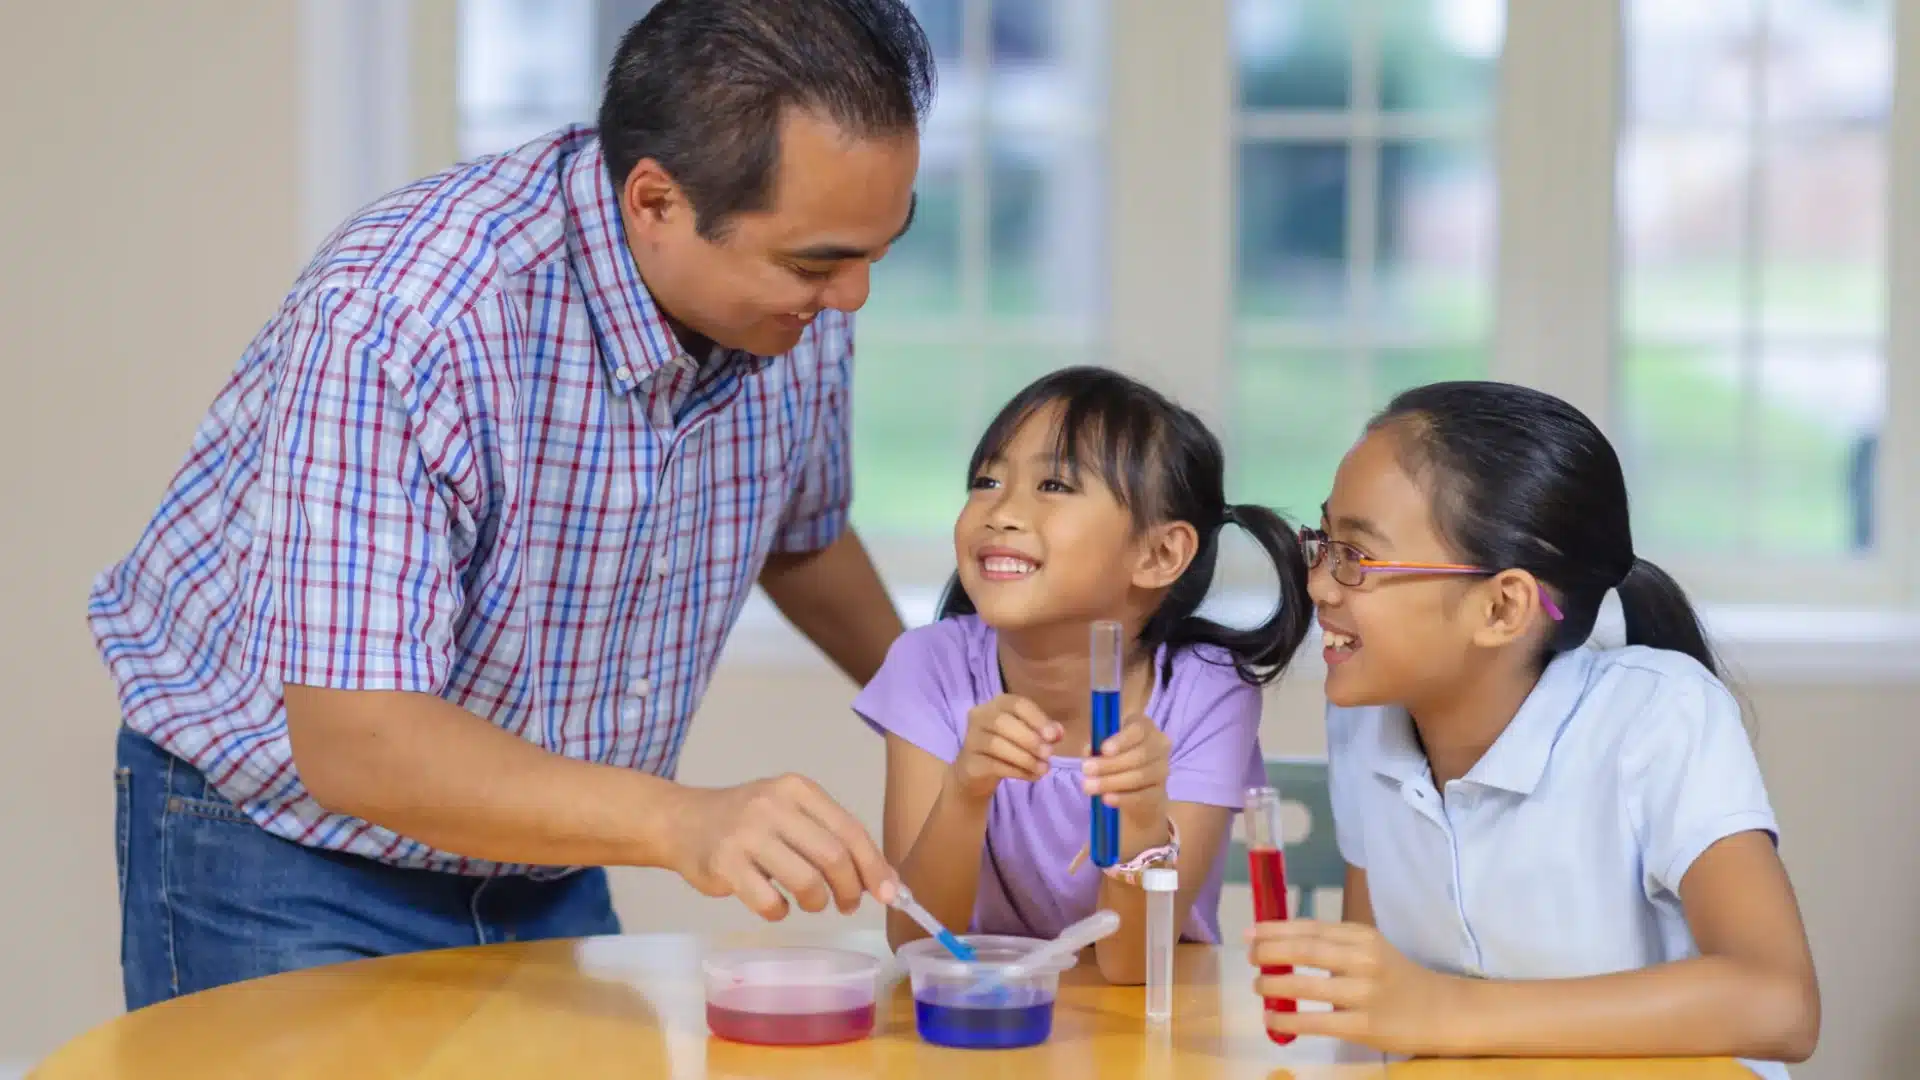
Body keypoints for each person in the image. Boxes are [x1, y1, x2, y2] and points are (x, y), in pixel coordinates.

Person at [88, 0, 935, 1010]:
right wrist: (682, 822)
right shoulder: (403, 317)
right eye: (819, 264)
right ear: (655, 203)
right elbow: (358, 737)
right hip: (289, 855)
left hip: (547, 862)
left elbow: (799, 534)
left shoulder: (792, 303)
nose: (853, 300)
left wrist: (938, 703)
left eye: (879, 249)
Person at [1246, 382, 1821, 1075]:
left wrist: (1447, 1010)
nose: (1319, 586)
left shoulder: (1658, 714)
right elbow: (1377, 1005)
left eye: (1358, 558)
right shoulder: (1361, 719)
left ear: (1501, 607)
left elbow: (1779, 1003)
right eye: (1323, 541)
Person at [853, 366, 1314, 983]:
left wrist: (1142, 819)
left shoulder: (1209, 692)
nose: (1001, 511)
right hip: (984, 1023)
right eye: (987, 480)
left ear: (1158, 555)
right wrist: (965, 790)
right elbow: (916, 942)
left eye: (1052, 484)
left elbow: (1130, 966)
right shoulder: (927, 666)